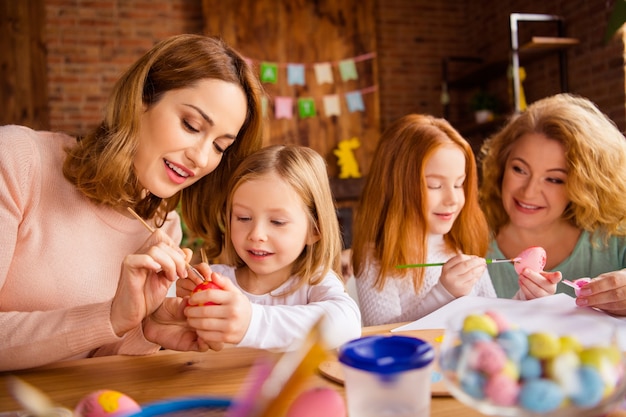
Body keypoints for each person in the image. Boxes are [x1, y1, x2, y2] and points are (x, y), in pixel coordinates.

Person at [0, 34, 265, 371]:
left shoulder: (163, 226)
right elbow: (94, 324)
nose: (201, 157)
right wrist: (107, 316)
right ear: (141, 99)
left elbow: (90, 358)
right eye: (191, 125)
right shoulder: (16, 161)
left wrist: (147, 332)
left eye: (219, 146)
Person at [177, 145, 362, 350]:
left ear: (314, 230)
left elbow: (348, 324)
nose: (256, 234)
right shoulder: (215, 281)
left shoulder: (315, 281)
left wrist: (251, 322)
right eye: (243, 218)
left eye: (277, 222)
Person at [480, 93, 626, 315]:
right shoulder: (470, 240)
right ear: (501, 165)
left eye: (554, 179)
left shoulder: (613, 237)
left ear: (584, 185)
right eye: (519, 169)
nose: (528, 191)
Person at [351, 114, 499, 327]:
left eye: (459, 184)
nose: (453, 200)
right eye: (435, 186)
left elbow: (492, 316)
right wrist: (443, 294)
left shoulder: (459, 246)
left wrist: (527, 300)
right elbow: (382, 334)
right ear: (396, 188)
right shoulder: (375, 257)